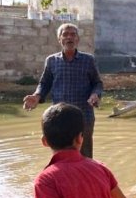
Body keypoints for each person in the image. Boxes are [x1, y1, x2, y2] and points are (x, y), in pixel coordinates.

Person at [23, 23, 103, 158]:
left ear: (78, 39)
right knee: (61, 155)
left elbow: (97, 83)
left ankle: (85, 178)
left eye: (73, 34)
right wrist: (37, 96)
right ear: (59, 39)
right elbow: (44, 83)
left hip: (84, 116)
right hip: (59, 117)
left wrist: (95, 94)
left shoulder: (88, 60)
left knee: (85, 155)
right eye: (65, 34)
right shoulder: (52, 61)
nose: (69, 38)